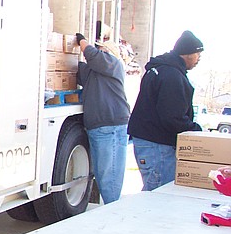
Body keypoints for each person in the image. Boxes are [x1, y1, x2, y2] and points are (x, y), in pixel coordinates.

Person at [127, 30, 204, 191]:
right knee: (158, 194)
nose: (199, 59)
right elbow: (172, 117)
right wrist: (195, 130)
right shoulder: (171, 75)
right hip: (157, 144)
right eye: (198, 54)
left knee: (154, 190)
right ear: (187, 53)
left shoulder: (161, 69)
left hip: (150, 141)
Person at [75, 33, 130, 203]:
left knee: (109, 176)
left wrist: (82, 41)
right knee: (101, 173)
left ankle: (112, 213)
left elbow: (93, 56)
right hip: (100, 128)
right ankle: (110, 209)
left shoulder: (114, 64)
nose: (99, 51)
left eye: (102, 49)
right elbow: (75, 68)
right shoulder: (95, 73)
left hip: (111, 127)